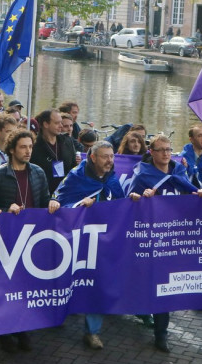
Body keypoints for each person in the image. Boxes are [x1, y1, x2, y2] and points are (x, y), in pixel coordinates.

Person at [53, 141, 139, 349]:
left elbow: (118, 202)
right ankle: (60, 312)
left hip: (102, 240)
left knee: (97, 281)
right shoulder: (76, 177)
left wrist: (131, 200)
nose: (110, 160)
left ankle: (92, 332)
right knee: (70, 279)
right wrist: (80, 205)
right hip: (78, 238)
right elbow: (60, 202)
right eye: (105, 157)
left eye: (111, 156)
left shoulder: (112, 178)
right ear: (92, 157)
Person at [127, 134, 202, 353]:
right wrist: (139, 197)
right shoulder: (143, 174)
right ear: (151, 152)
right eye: (161, 150)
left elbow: (190, 194)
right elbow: (127, 199)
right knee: (148, 282)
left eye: (169, 149)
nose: (166, 153)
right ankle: (142, 308)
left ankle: (161, 333)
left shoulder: (179, 171)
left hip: (173, 238)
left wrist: (199, 194)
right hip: (151, 238)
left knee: (165, 287)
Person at [0, 130, 60, 353]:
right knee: (7, 288)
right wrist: (6, 210)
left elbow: (45, 198)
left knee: (27, 286)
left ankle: (24, 328)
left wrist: (53, 202)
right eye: (23, 147)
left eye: (30, 146)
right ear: (11, 150)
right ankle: (5, 331)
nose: (28, 151)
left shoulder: (37, 172)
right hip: (6, 240)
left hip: (31, 237)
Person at [30, 109, 77, 194]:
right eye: (57, 123)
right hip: (43, 194)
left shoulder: (67, 141)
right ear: (46, 124)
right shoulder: (34, 146)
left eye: (61, 122)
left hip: (65, 192)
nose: (61, 126)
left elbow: (73, 167)